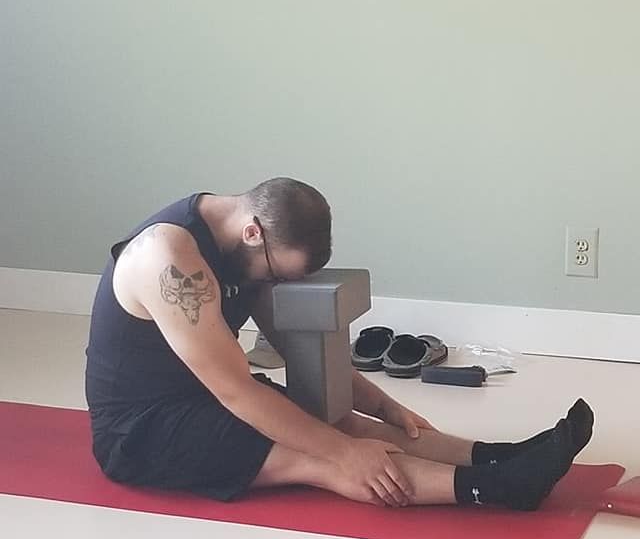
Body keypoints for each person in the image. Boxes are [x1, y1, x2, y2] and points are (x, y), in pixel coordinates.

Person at [85, 179, 593, 511]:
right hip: (143, 430)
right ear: (253, 233)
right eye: (275, 275)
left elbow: (301, 355)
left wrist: (383, 406)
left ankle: (505, 455)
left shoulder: (245, 249)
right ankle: (501, 488)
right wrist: (348, 453)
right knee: (325, 458)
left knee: (326, 411)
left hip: (205, 393)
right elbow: (237, 393)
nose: (271, 284)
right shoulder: (169, 257)